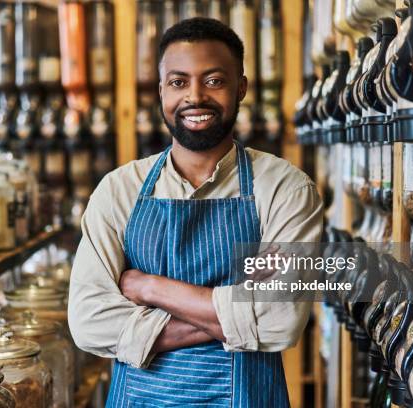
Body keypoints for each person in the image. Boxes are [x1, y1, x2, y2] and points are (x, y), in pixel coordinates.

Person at [68, 17, 323, 407]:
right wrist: (237, 312)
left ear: (241, 87)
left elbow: (282, 320)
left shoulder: (286, 189)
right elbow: (89, 322)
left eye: (214, 80)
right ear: (161, 91)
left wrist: (150, 288)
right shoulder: (119, 190)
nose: (195, 96)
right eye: (178, 82)